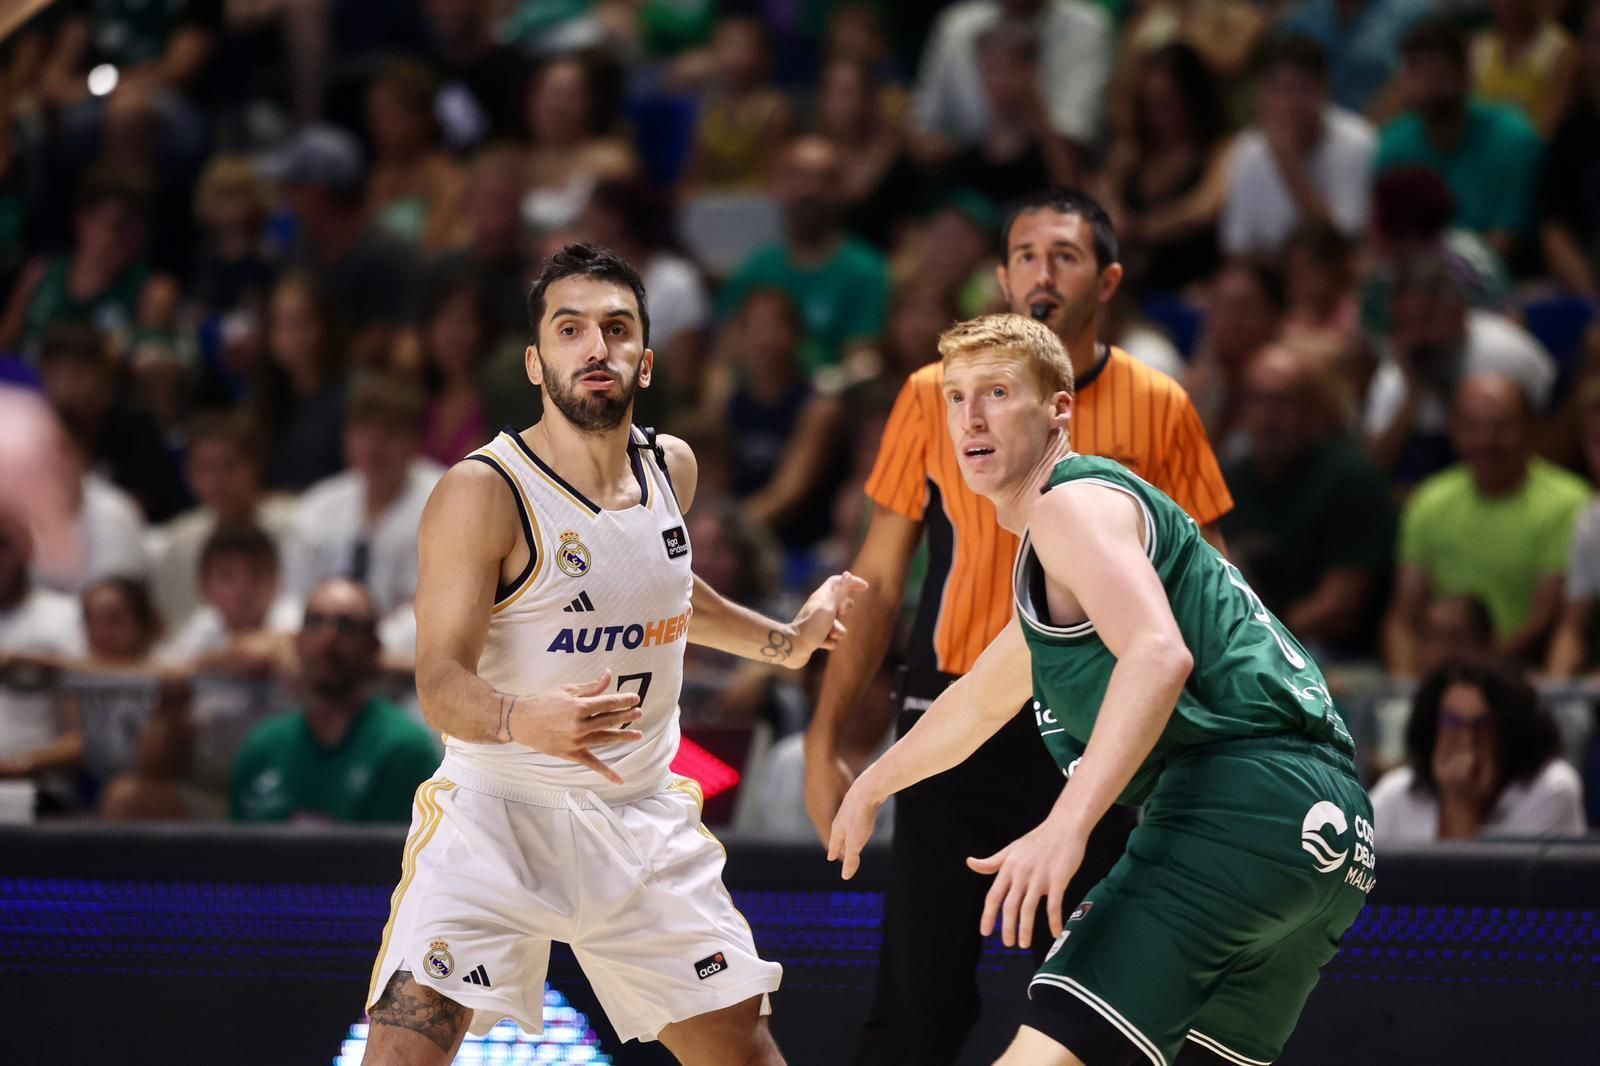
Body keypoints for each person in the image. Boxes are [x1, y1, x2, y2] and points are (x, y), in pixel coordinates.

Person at [362, 243, 866, 1064]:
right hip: (496, 815)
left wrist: (788, 642)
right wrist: (524, 718)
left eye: (616, 328)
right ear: (535, 361)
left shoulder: (672, 468)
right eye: (570, 330)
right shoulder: (482, 491)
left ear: (646, 359)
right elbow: (439, 684)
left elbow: (668, 592)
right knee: (400, 1054)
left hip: (639, 818)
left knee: (745, 1054)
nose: (595, 347)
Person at [830, 312, 1373, 1066]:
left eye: (996, 392)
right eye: (955, 397)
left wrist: (1065, 824)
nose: (970, 418)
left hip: (1233, 804)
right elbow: (981, 699)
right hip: (1329, 835)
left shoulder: (1069, 507)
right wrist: (873, 785)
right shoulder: (1080, 538)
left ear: (1059, 409)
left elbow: (1157, 655)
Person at [803, 188, 1233, 1066]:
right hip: (953, 706)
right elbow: (880, 580)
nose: (1042, 271)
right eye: (1026, 255)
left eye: (1065, 255)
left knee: (1088, 1001)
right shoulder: (932, 395)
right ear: (1001, 276)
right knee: (916, 1001)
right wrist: (827, 737)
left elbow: (1212, 588)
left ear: (1107, 279)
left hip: (1097, 723)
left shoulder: (1160, 404)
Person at [1384, 373, 1589, 675]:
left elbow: (1547, 619)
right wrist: (1405, 689)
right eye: (1472, 427)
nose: (1486, 440)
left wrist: (1474, 676)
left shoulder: (1571, 504)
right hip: (1440, 676)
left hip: (1524, 676)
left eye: (1502, 426)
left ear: (1531, 428)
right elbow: (1403, 618)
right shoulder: (1429, 501)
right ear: (1453, 430)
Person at [231, 578, 439, 824]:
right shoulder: (263, 749)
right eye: (315, 622)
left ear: (374, 646)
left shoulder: (404, 750)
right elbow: (234, 858)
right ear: (297, 641)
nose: (328, 637)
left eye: (347, 625)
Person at [1369, 658, 1583, 842]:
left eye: (1483, 725)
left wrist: (1460, 805)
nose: (1467, 739)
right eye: (1452, 722)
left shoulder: (1552, 788)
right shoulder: (1398, 789)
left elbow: (1485, 886)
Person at [1220, 35, 1376, 258]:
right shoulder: (1246, 150)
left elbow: (1343, 247)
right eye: (1276, 90)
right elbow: (1237, 247)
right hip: (1270, 276)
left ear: (1324, 90)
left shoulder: (1358, 142)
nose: (1287, 104)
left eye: (1299, 89)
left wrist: (1287, 162)